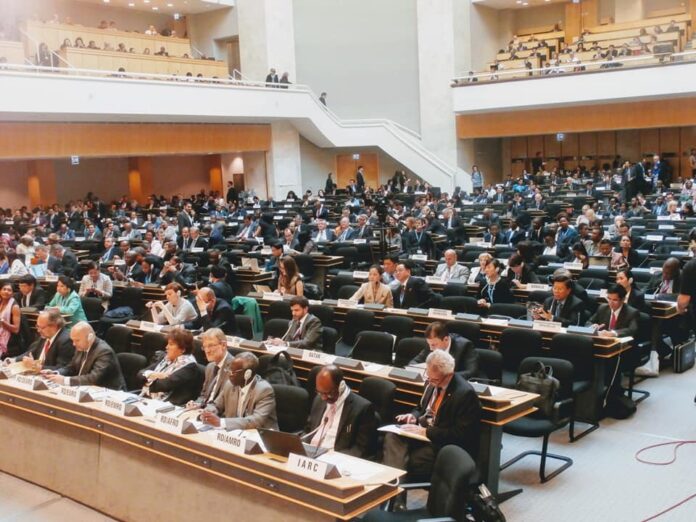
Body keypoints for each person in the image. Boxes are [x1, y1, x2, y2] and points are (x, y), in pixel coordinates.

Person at [383, 350, 481, 510]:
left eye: (434, 379)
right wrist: (413, 416)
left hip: (440, 444)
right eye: (428, 376)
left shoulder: (465, 394)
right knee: (391, 437)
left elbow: (461, 435)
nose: (429, 381)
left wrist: (426, 432)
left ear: (449, 375)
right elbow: (420, 407)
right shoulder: (432, 381)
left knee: (401, 460)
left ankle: (393, 500)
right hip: (421, 434)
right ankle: (397, 501)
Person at [304, 365, 376, 458]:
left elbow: (360, 449)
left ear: (341, 386)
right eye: (320, 392)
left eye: (329, 393)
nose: (323, 398)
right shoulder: (319, 400)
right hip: (310, 456)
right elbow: (308, 430)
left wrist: (333, 458)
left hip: (336, 458)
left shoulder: (362, 408)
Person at [200, 352, 278, 431]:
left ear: (247, 374)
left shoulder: (264, 390)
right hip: (235, 433)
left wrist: (221, 422)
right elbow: (216, 405)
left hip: (261, 434)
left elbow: (256, 421)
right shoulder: (230, 385)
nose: (229, 375)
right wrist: (209, 412)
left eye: (233, 372)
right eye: (229, 370)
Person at [43, 322, 125, 390]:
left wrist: (65, 380)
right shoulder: (81, 347)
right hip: (84, 389)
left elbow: (93, 379)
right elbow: (71, 367)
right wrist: (56, 373)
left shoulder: (104, 352)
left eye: (77, 340)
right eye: (73, 340)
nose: (74, 344)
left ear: (90, 337)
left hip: (108, 393)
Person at [138, 329, 201, 406]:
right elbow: (140, 373)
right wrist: (153, 375)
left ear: (182, 349)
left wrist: (146, 379)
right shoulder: (166, 358)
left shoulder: (190, 366)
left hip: (168, 405)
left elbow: (164, 385)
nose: (166, 347)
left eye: (171, 344)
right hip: (149, 398)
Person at [5, 310, 74, 370]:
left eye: (42, 327)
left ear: (54, 326)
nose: (38, 330)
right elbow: (32, 352)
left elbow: (62, 368)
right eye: (37, 326)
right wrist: (13, 360)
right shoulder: (45, 335)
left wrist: (36, 366)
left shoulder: (66, 341)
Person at [409, 322, 478, 378]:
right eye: (429, 344)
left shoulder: (465, 345)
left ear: (446, 339)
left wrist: (447, 376)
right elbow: (414, 362)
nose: (431, 348)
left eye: (433, 345)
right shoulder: (431, 343)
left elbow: (471, 372)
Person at [188, 328, 234, 408]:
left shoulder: (234, 368)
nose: (207, 351)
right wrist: (197, 404)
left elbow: (226, 402)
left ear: (223, 345)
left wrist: (206, 410)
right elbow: (203, 395)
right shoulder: (210, 367)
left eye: (211, 346)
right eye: (204, 347)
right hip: (205, 409)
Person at [0, 282, 21, 358]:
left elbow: (16, 330)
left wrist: (3, 322)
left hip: (10, 340)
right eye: (4, 289)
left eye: (9, 290)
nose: (6, 291)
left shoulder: (15, 307)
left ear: (12, 293)